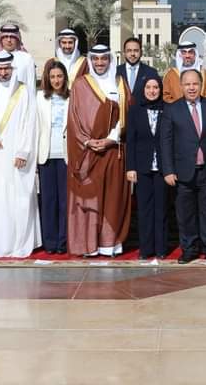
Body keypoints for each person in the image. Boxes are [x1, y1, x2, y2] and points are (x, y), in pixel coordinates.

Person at [160, 69, 206, 264]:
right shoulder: (172, 109)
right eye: (187, 84)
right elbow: (165, 142)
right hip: (182, 173)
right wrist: (168, 170)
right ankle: (189, 250)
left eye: (195, 84)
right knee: (185, 214)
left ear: (201, 86)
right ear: (181, 86)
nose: (191, 88)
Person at [66, 45, 131, 257]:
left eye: (104, 59)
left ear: (110, 60)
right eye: (96, 59)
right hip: (89, 153)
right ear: (91, 61)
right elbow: (74, 118)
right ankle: (89, 245)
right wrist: (88, 141)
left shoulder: (120, 83)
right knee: (91, 198)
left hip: (114, 151)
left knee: (112, 197)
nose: (100, 63)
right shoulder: (80, 84)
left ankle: (109, 244)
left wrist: (111, 139)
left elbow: (128, 112)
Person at [0, 51, 39, 258]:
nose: (2, 73)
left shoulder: (24, 92)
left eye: (6, 69)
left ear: (12, 69)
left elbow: (30, 124)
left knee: (17, 199)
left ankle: (18, 242)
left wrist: (24, 151)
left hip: (16, 157)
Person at [125, 75, 169, 261]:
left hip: (162, 168)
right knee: (144, 209)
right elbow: (131, 141)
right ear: (143, 89)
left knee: (162, 209)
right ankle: (145, 248)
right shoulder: (135, 111)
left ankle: (161, 247)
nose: (152, 91)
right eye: (149, 87)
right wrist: (130, 167)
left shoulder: (167, 109)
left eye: (156, 88)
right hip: (142, 167)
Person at [36, 60, 70, 254]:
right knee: (48, 201)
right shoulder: (40, 97)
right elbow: (35, 127)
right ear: (47, 79)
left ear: (64, 78)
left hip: (66, 155)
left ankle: (63, 241)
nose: (56, 80)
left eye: (59, 76)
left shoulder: (72, 97)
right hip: (46, 155)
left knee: (65, 201)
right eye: (53, 77)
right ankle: (49, 242)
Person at [0, 23, 38, 97]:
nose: (9, 40)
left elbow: (31, 86)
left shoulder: (27, 59)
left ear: (17, 38)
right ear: (1, 39)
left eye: (12, 37)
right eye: (5, 36)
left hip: (21, 103)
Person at [116, 36, 159, 106]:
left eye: (136, 50)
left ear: (141, 52)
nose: (132, 54)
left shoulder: (151, 72)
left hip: (143, 115)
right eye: (129, 50)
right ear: (124, 53)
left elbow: (155, 97)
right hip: (121, 115)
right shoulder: (115, 72)